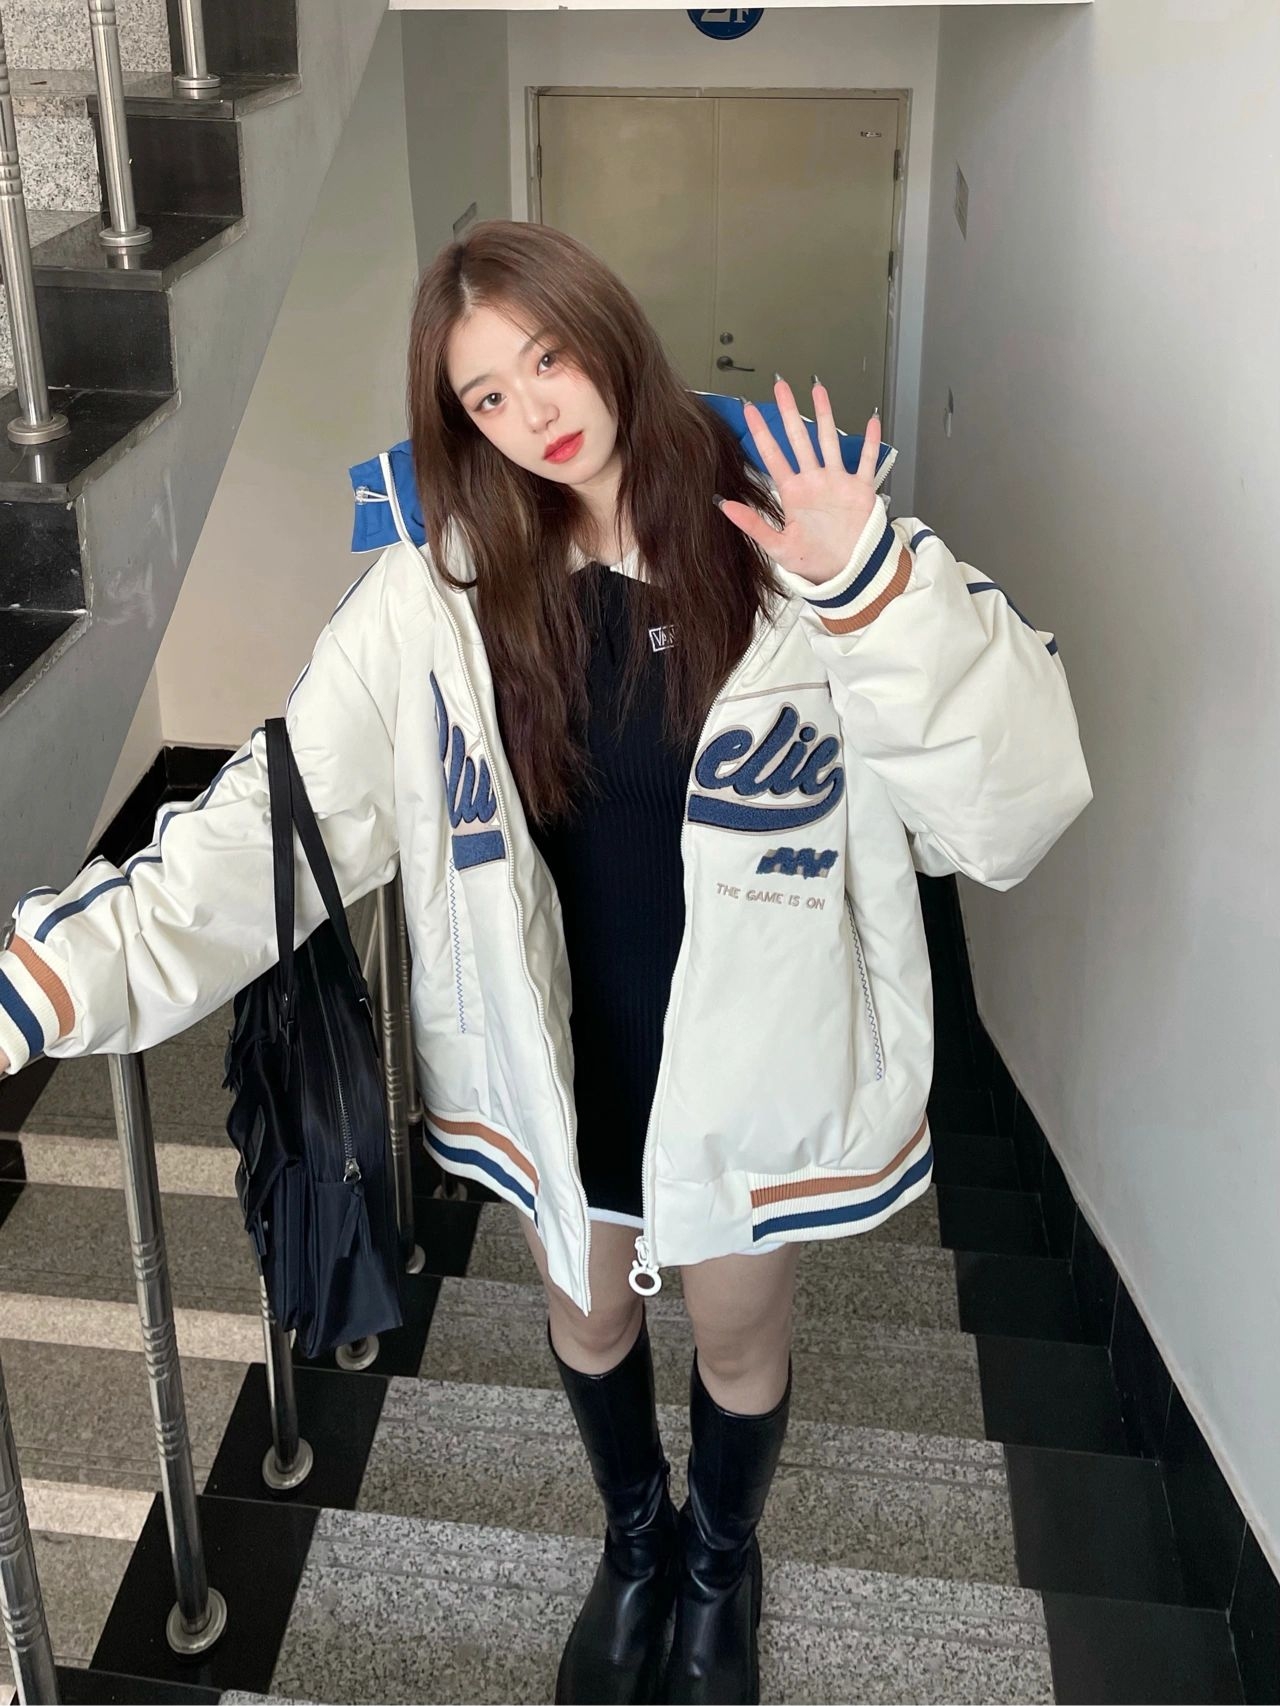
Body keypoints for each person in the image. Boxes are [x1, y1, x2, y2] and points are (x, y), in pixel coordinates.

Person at [0, 219, 1092, 1704]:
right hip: (551, 1066)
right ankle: (637, 1543)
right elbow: (280, 818)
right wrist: (52, 979)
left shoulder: (798, 549)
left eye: (550, 358)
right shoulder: (439, 592)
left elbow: (1012, 810)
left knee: (737, 1341)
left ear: (612, 333)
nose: (535, 412)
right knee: (587, 1319)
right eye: (488, 396)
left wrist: (873, 592)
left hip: (750, 1071)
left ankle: (718, 1564)